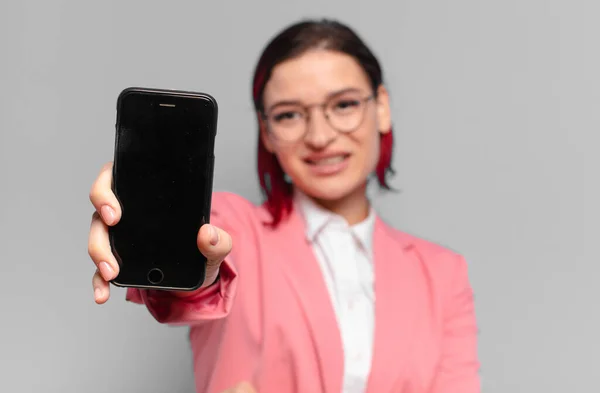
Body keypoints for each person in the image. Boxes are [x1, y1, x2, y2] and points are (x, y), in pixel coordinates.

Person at [88, 19, 481, 393]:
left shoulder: (442, 275)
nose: (320, 136)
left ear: (381, 106)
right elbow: (199, 275)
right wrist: (169, 238)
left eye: (343, 105)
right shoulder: (232, 227)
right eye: (289, 115)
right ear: (267, 132)